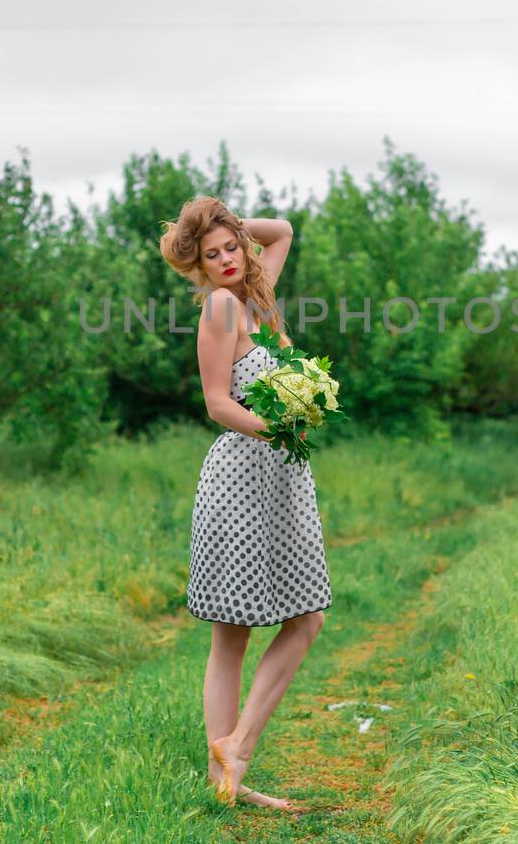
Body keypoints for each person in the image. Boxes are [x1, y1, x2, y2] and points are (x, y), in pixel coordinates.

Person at [158, 197, 332, 812]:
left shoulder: (258, 297)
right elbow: (217, 404)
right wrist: (282, 425)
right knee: (231, 633)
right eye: (212, 256)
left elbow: (281, 230)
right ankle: (230, 768)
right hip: (240, 475)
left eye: (232, 247)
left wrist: (221, 222)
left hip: (281, 476)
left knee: (304, 617)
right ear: (199, 268)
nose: (228, 259)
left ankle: (231, 757)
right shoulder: (220, 306)